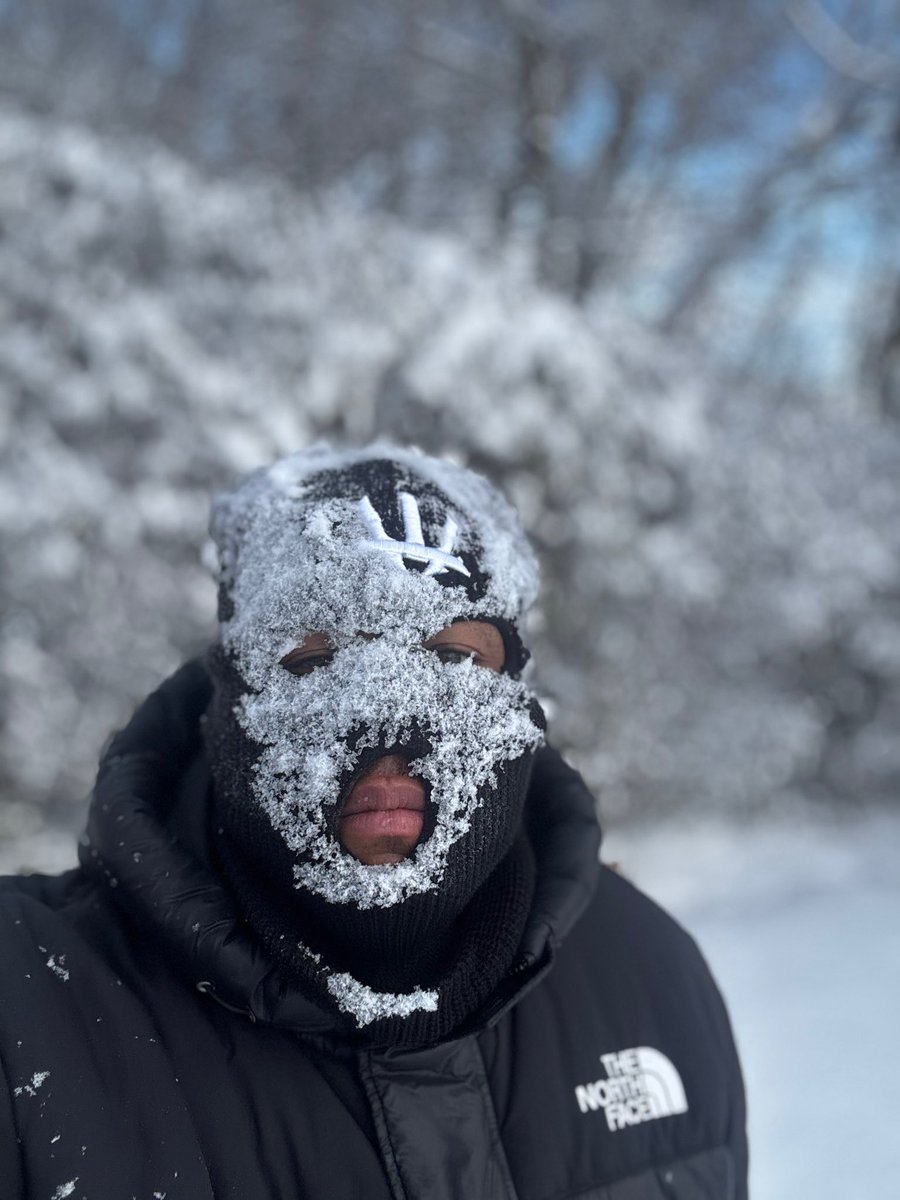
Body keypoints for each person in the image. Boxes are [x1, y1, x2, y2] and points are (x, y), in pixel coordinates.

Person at [0, 445, 748, 1200]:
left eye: (452, 654)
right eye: (310, 660)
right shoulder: (27, 1005)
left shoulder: (653, 978)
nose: (386, 721)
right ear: (228, 701)